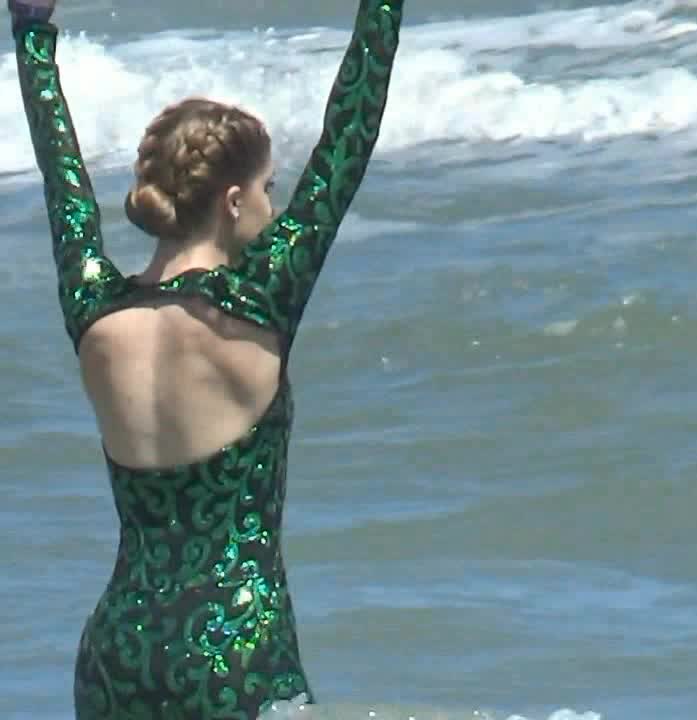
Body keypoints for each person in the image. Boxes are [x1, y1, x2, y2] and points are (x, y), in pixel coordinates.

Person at [9, 0, 404, 716]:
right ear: (232, 201)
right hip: (236, 652)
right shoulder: (261, 300)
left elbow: (63, 183)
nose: (273, 206)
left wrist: (32, 34)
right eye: (267, 189)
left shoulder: (95, 309)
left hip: (117, 656)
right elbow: (351, 129)